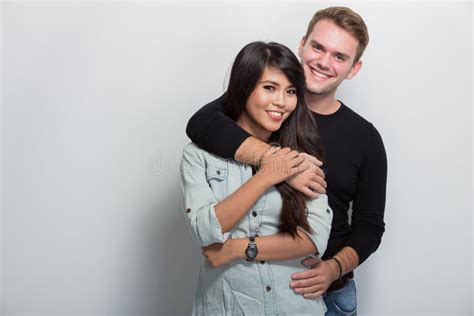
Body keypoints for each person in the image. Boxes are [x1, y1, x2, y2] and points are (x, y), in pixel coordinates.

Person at [185, 6, 387, 316]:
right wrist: (275, 163)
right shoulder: (259, 110)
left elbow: (370, 226)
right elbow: (199, 123)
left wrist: (333, 268)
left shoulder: (365, 138)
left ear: (354, 68)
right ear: (302, 44)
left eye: (339, 56)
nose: (323, 61)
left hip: (325, 293)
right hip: (244, 291)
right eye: (318, 47)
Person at [180, 41, 333, 315]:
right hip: (227, 307)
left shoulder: (302, 153)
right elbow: (204, 231)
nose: (281, 102)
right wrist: (266, 176)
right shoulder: (198, 155)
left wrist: (238, 248)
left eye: (291, 91)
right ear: (243, 87)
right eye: (269, 88)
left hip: (294, 306)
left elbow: (314, 238)